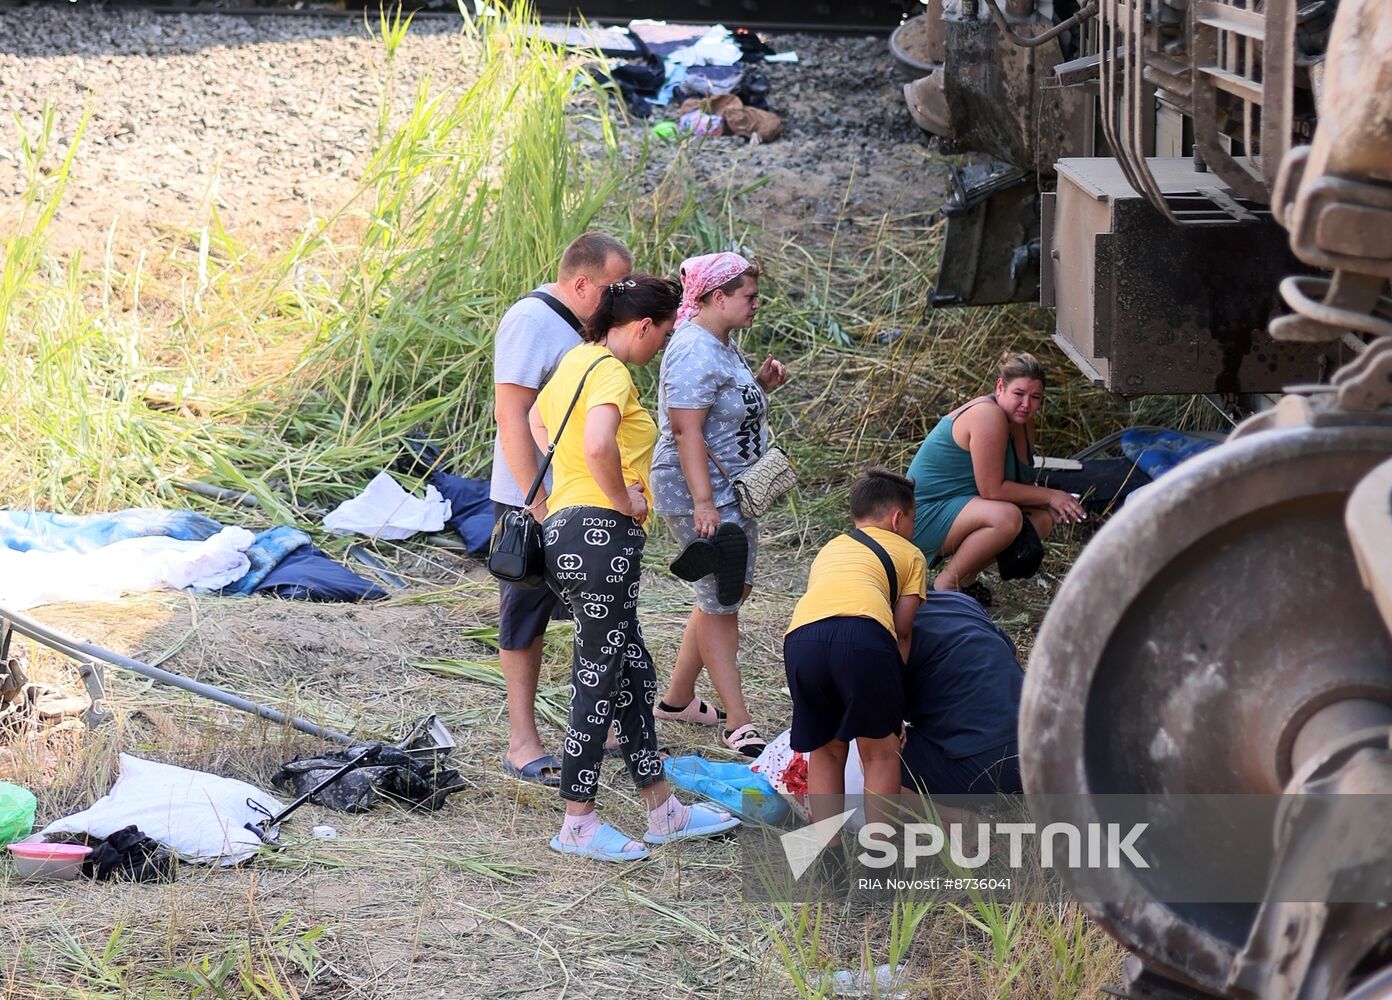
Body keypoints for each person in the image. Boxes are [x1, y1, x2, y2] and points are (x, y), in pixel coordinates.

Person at [531, 274, 740, 862]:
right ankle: (577, 822)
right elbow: (598, 443)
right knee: (597, 676)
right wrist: (623, 498)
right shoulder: (610, 372)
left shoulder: (573, 362)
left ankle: (662, 809)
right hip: (602, 535)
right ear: (643, 326)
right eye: (665, 332)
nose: (662, 347)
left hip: (565, 531)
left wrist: (562, 491)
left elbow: (535, 424)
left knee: (632, 672)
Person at [491, 232, 633, 787]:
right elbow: (512, 414)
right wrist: (540, 502)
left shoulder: (587, 326)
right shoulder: (530, 321)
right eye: (613, 286)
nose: (620, 296)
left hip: (583, 497)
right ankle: (522, 740)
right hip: (536, 497)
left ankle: (610, 723)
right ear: (580, 283)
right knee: (525, 614)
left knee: (598, 609)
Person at [650, 251, 789, 759]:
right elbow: (686, 429)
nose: (756, 305)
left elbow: (720, 409)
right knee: (722, 597)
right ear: (716, 297)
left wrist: (762, 386)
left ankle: (677, 699)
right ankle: (739, 720)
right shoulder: (694, 350)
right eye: (749, 297)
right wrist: (704, 502)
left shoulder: (721, 344)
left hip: (729, 489)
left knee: (725, 592)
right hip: (696, 491)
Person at [783, 469, 927, 825]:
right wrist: (899, 709)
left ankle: (828, 861)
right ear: (898, 518)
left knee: (826, 752)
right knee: (880, 755)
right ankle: (878, 862)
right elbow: (903, 630)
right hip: (865, 638)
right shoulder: (911, 554)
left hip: (802, 638)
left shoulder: (830, 549)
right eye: (913, 520)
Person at [906, 351, 1085, 605]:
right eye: (1018, 394)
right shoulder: (987, 415)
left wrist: (1047, 503)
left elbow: (1018, 487)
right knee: (1006, 518)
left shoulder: (1022, 422)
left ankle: (965, 579)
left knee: (1041, 519)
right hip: (921, 517)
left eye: (1035, 397)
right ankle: (946, 587)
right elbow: (992, 490)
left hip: (961, 506)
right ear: (1000, 387)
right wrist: (1051, 495)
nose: (1026, 404)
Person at [899, 592, 1024, 795]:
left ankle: (952, 816)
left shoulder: (881, 629)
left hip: (987, 765)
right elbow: (1014, 653)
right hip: (1041, 748)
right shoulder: (958, 599)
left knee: (875, 757)